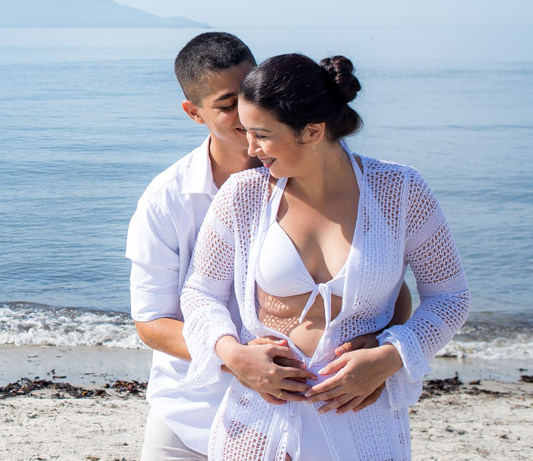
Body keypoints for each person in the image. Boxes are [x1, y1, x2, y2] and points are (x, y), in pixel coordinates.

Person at [180, 54, 470, 461]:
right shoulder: (243, 194)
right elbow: (199, 293)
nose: (250, 148)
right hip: (260, 422)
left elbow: (450, 297)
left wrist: (389, 356)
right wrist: (233, 353)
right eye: (246, 132)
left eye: (261, 135)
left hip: (362, 417)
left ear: (312, 131)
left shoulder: (400, 190)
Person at [128, 34, 316, 461]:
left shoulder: (315, 178)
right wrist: (236, 359)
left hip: (294, 408)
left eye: (253, 88)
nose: (248, 110)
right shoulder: (167, 199)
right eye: (228, 103)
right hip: (191, 410)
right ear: (193, 113)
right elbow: (152, 321)